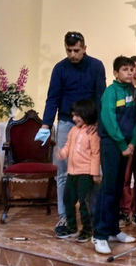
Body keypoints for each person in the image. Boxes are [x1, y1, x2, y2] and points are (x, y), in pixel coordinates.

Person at [35, 32, 106, 232]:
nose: (72, 54)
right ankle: (64, 217)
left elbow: (101, 96)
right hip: (67, 122)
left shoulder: (96, 66)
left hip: (91, 125)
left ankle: (91, 219)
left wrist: (99, 124)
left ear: (84, 48)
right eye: (68, 50)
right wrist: (46, 125)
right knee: (63, 172)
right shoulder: (60, 68)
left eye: (76, 50)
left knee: (93, 172)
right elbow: (52, 98)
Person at [92, 56, 136, 254]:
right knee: (108, 189)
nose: (130, 72)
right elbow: (108, 119)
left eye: (132, 69)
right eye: (125, 69)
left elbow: (135, 120)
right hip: (112, 144)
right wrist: (121, 143)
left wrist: (132, 143)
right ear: (116, 73)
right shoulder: (110, 92)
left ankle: (112, 230)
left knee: (119, 188)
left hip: (126, 146)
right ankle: (99, 235)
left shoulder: (131, 91)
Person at [54, 99, 101, 243]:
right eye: (73, 115)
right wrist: (63, 153)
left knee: (84, 203)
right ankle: (72, 226)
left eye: (77, 115)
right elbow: (68, 145)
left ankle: (87, 229)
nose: (73, 118)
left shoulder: (92, 133)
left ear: (86, 114)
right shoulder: (73, 130)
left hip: (85, 174)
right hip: (72, 172)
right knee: (68, 199)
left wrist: (94, 173)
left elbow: (95, 154)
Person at [118, 56, 136, 228]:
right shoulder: (124, 90)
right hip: (127, 140)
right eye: (132, 67)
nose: (135, 70)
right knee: (125, 177)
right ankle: (124, 211)